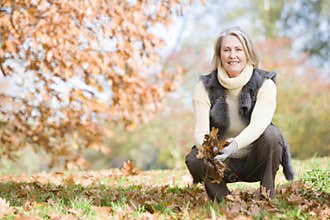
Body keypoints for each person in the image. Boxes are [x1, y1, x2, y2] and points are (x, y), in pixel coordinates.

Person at [185, 26, 294, 201]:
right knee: (195, 158)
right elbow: (200, 131)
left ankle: (267, 196)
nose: (232, 55)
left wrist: (235, 144)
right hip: (221, 163)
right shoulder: (204, 87)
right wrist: (209, 150)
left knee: (273, 134)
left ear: (248, 53)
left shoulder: (265, 83)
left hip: (255, 160)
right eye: (226, 50)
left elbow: (260, 123)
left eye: (238, 49)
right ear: (219, 55)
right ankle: (223, 200)